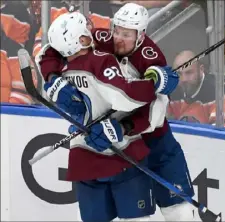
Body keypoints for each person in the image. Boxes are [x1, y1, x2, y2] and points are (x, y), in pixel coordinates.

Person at [36, 3, 194, 221]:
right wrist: (52, 79)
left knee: (178, 210)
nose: (118, 38)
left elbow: (153, 110)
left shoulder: (152, 58)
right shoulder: (101, 37)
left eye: (126, 34)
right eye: (116, 30)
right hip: (122, 144)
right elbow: (55, 47)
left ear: (140, 36)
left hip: (153, 140)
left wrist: (124, 127)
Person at [168, 50, 225, 127]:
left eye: (189, 72)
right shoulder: (172, 89)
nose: (183, 79)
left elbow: (219, 134)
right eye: (178, 73)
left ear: (201, 70)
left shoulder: (219, 93)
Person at [30, 0, 111, 58]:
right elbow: (38, 48)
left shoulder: (102, 10)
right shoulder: (53, 8)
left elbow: (110, 48)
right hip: (62, 71)